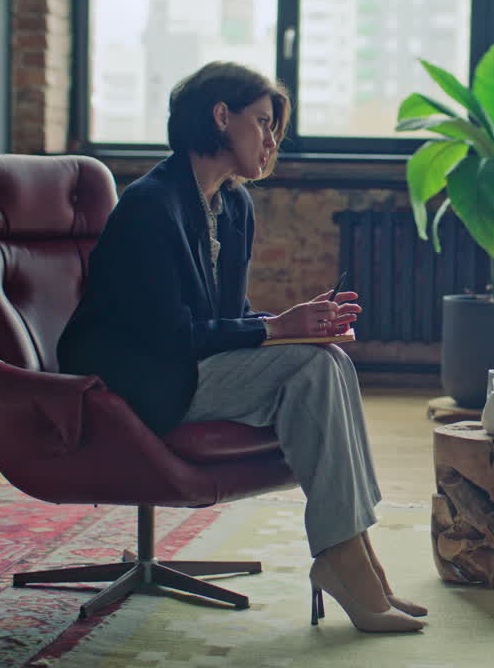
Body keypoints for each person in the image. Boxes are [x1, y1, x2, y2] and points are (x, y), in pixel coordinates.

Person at [57, 61, 425, 633]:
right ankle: (345, 562)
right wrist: (277, 329)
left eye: (275, 126)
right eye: (263, 122)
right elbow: (170, 336)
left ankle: (358, 561)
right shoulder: (151, 205)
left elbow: (223, 318)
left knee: (326, 358)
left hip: (187, 364)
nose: (272, 140)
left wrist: (297, 325)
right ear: (220, 117)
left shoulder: (233, 206)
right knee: (314, 369)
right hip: (137, 383)